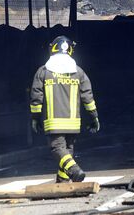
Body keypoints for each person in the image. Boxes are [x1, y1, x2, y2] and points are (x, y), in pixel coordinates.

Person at [30, 35, 100, 183]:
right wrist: (94, 117)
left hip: (54, 122)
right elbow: (87, 96)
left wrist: (35, 118)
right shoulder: (78, 72)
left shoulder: (43, 71)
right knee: (67, 151)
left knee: (57, 148)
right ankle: (62, 183)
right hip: (73, 122)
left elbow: (36, 98)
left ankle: (74, 171)